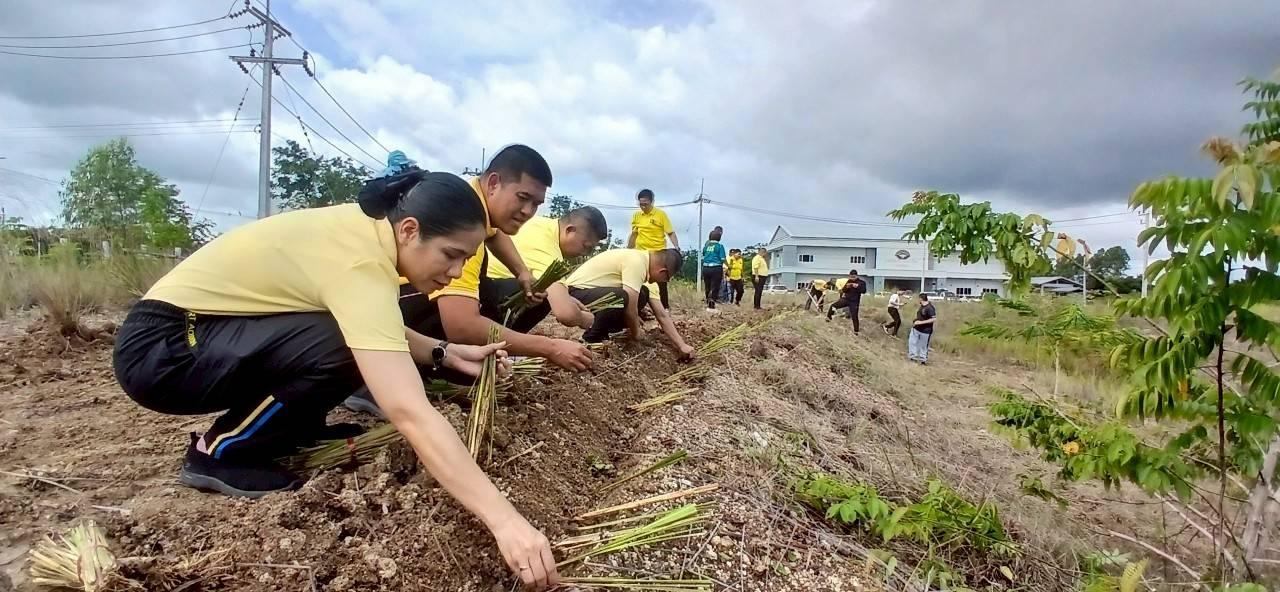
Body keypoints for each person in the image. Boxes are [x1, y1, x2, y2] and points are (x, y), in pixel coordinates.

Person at [112, 172, 563, 589]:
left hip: (204, 334)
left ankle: (286, 433)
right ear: (409, 230)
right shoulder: (359, 263)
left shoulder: (366, 236)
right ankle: (221, 451)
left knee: (343, 336)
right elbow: (408, 410)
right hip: (164, 349)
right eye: (450, 255)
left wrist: (443, 352)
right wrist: (505, 521)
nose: (452, 272)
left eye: (464, 259)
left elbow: (375, 322)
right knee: (340, 343)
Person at [487, 207, 608, 330]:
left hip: (484, 284)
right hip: (488, 296)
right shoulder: (549, 250)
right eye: (586, 246)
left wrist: (566, 298)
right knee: (542, 295)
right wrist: (585, 319)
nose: (586, 253)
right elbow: (566, 314)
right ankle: (501, 337)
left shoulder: (540, 224)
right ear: (570, 230)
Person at [563, 248, 695, 359]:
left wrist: (681, 345)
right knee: (620, 297)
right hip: (574, 293)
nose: (661, 282)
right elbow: (630, 307)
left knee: (642, 294)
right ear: (663, 272)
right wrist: (636, 332)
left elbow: (662, 315)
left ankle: (605, 332)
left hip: (595, 295)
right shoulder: (637, 262)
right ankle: (591, 339)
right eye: (666, 279)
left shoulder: (645, 271)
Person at [627, 189, 679, 309]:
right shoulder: (636, 215)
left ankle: (665, 307)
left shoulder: (660, 215)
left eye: (646, 204)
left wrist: (676, 247)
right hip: (641, 253)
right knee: (639, 280)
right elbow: (634, 234)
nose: (643, 207)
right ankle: (640, 308)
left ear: (652, 202)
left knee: (661, 281)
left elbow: (670, 233)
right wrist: (628, 250)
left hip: (658, 253)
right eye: (641, 204)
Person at [700, 227, 727, 311]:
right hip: (716, 267)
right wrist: (728, 266)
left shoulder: (706, 246)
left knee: (707, 285)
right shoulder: (719, 246)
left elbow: (703, 256)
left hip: (705, 267)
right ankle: (712, 302)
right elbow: (722, 259)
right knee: (715, 286)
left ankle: (707, 300)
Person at [909, 293, 937, 364]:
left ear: (921, 299)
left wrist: (921, 322)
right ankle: (913, 357)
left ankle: (922, 360)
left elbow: (933, 319)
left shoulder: (930, 308)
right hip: (916, 329)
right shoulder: (922, 306)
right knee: (912, 342)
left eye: (919, 299)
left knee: (923, 346)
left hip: (925, 330)